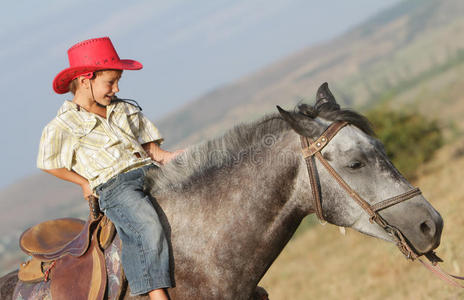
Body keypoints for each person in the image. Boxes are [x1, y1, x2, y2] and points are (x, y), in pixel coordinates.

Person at [37, 37, 181, 300]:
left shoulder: (124, 109)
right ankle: (155, 292)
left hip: (148, 170)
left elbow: (153, 151)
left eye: (118, 82)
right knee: (144, 224)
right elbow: (49, 163)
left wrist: (175, 158)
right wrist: (83, 182)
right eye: (110, 82)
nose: (115, 88)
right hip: (115, 185)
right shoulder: (62, 125)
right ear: (85, 80)